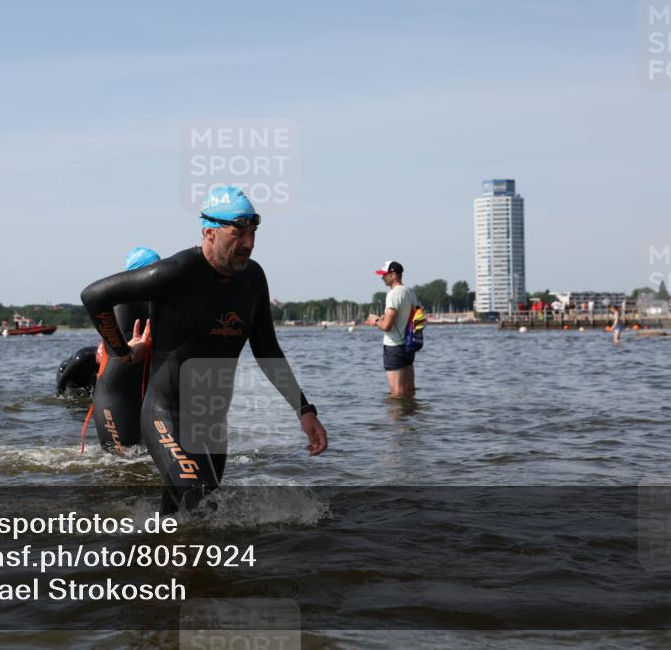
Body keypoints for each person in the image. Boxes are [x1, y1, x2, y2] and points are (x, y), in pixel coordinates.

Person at [81, 186, 328, 514]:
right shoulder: (177, 272)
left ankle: (141, 560)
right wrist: (122, 353)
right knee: (205, 511)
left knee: (181, 520)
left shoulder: (252, 279)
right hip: (166, 415)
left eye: (253, 232)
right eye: (238, 233)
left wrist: (304, 410)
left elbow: (266, 349)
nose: (249, 244)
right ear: (209, 232)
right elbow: (94, 296)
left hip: (213, 426)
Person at [91, 247, 160, 452]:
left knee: (138, 463)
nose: (159, 276)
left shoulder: (151, 304)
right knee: (118, 464)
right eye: (153, 270)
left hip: (136, 394)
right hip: (115, 396)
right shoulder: (125, 303)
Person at [366, 260, 418, 398]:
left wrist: (376, 320)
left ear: (393, 275)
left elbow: (387, 326)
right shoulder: (410, 292)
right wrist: (381, 320)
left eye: (384, 274)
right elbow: (414, 319)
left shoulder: (393, 294)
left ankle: (396, 419)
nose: (382, 277)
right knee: (409, 391)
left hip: (394, 347)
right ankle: (411, 418)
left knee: (397, 393)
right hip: (409, 345)